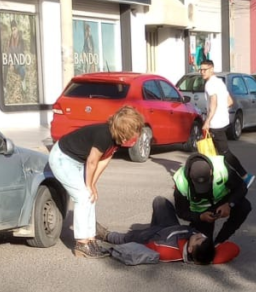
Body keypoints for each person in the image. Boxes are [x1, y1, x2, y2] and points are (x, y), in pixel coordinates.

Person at [49, 106, 145, 258]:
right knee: (83, 196)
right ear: (125, 129)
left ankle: (91, 239)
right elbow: (92, 161)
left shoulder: (116, 138)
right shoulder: (104, 135)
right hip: (62, 158)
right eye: (135, 131)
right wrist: (88, 185)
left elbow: (104, 160)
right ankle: (82, 243)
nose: (136, 135)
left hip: (77, 162)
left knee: (91, 197)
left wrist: (93, 185)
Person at [97, 196, 240, 265]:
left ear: (190, 249)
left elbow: (138, 248)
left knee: (128, 237)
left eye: (198, 238)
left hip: (152, 236)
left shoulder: (166, 251)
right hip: (171, 228)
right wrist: (212, 257)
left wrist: (114, 246)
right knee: (160, 201)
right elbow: (234, 248)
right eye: (202, 237)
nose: (199, 235)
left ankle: (105, 235)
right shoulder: (204, 251)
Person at [173, 153, 252, 245]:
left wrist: (229, 204)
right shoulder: (181, 182)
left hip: (223, 201)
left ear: (211, 172)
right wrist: (200, 217)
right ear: (190, 177)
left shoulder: (221, 168)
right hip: (202, 212)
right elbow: (181, 212)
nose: (203, 188)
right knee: (204, 247)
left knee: (244, 206)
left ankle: (220, 241)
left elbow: (241, 187)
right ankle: (204, 237)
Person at [200, 59, 255, 187]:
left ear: (212, 69)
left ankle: (244, 176)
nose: (202, 72)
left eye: (205, 69)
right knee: (217, 155)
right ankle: (222, 180)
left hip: (216, 124)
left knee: (224, 153)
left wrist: (207, 121)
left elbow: (214, 103)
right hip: (223, 122)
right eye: (201, 70)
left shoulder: (210, 84)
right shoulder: (219, 82)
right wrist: (222, 112)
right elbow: (230, 101)